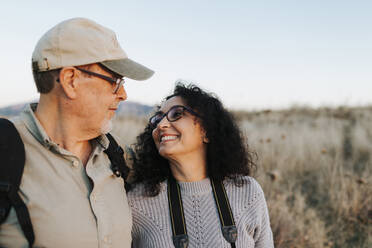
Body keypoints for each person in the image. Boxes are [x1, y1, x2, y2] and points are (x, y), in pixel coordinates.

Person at [0, 17, 154, 248]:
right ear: (71, 80)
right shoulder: (5, 151)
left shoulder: (116, 154)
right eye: (115, 80)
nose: (123, 94)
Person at [127, 83, 274, 247]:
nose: (161, 125)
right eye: (157, 119)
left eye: (176, 114)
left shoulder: (247, 192)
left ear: (207, 131)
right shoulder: (137, 202)